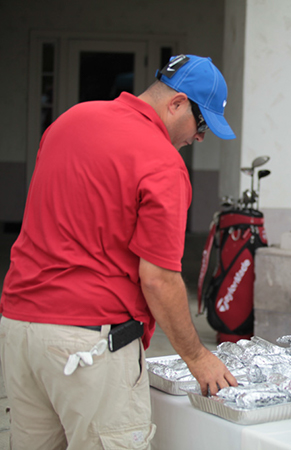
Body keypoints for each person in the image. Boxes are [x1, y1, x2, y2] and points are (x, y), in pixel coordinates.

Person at [0, 54, 238, 449]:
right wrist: (198, 357)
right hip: (88, 344)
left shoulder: (71, 120)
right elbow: (158, 279)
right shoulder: (163, 163)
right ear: (177, 103)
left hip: (19, 328)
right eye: (201, 124)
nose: (198, 138)